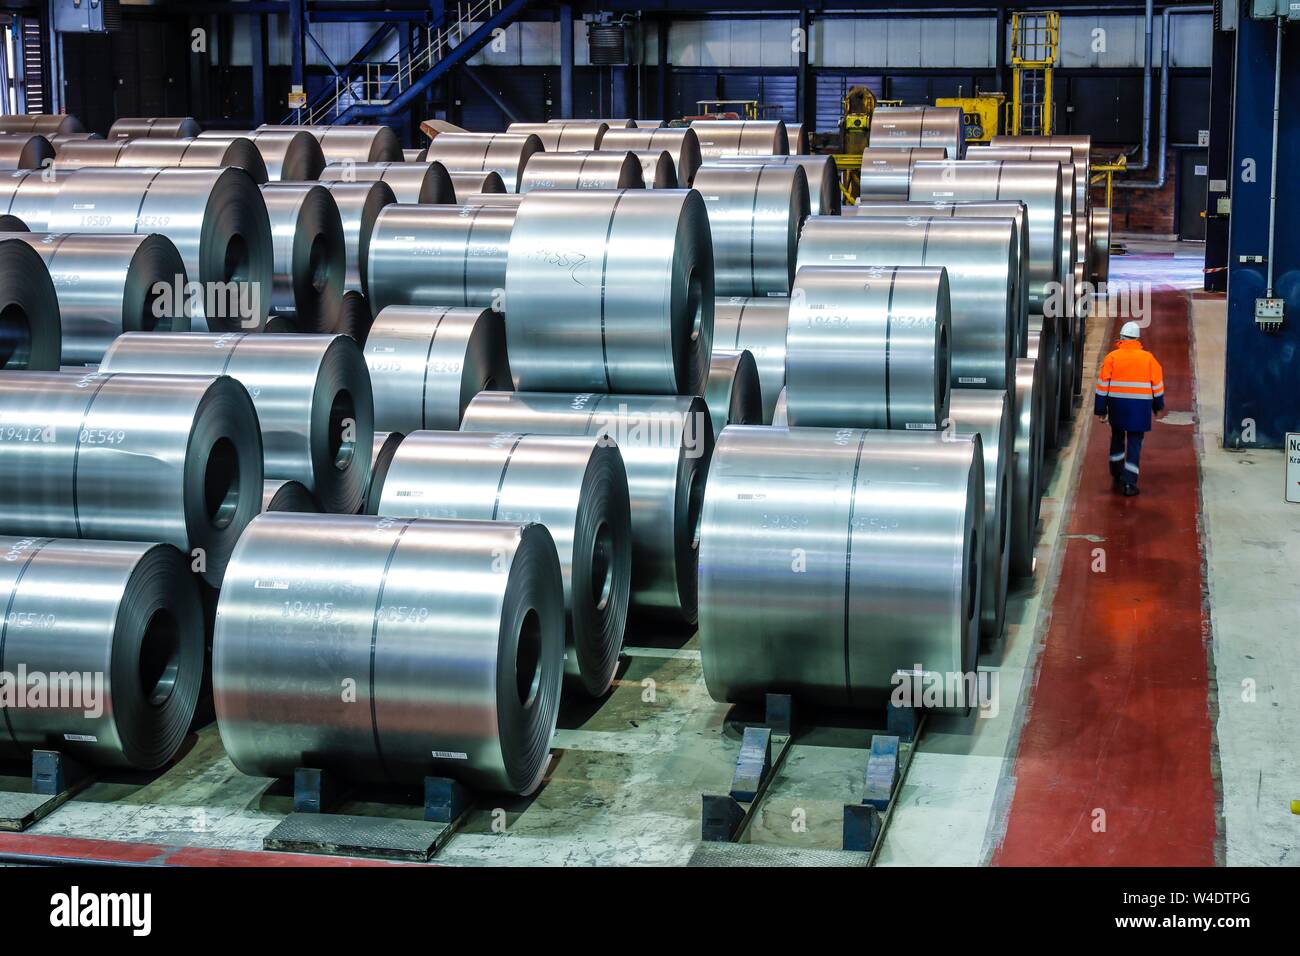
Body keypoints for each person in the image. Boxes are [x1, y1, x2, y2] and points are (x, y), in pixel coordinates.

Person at [1095, 321, 1165, 496]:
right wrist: (1158, 405)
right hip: (1139, 408)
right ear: (1137, 339)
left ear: (1121, 337)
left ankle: (1117, 473)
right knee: (1135, 443)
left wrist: (1101, 409)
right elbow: (1157, 385)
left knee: (1117, 437)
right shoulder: (1148, 359)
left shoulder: (1112, 357)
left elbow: (1102, 386)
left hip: (1117, 406)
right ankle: (1129, 483)